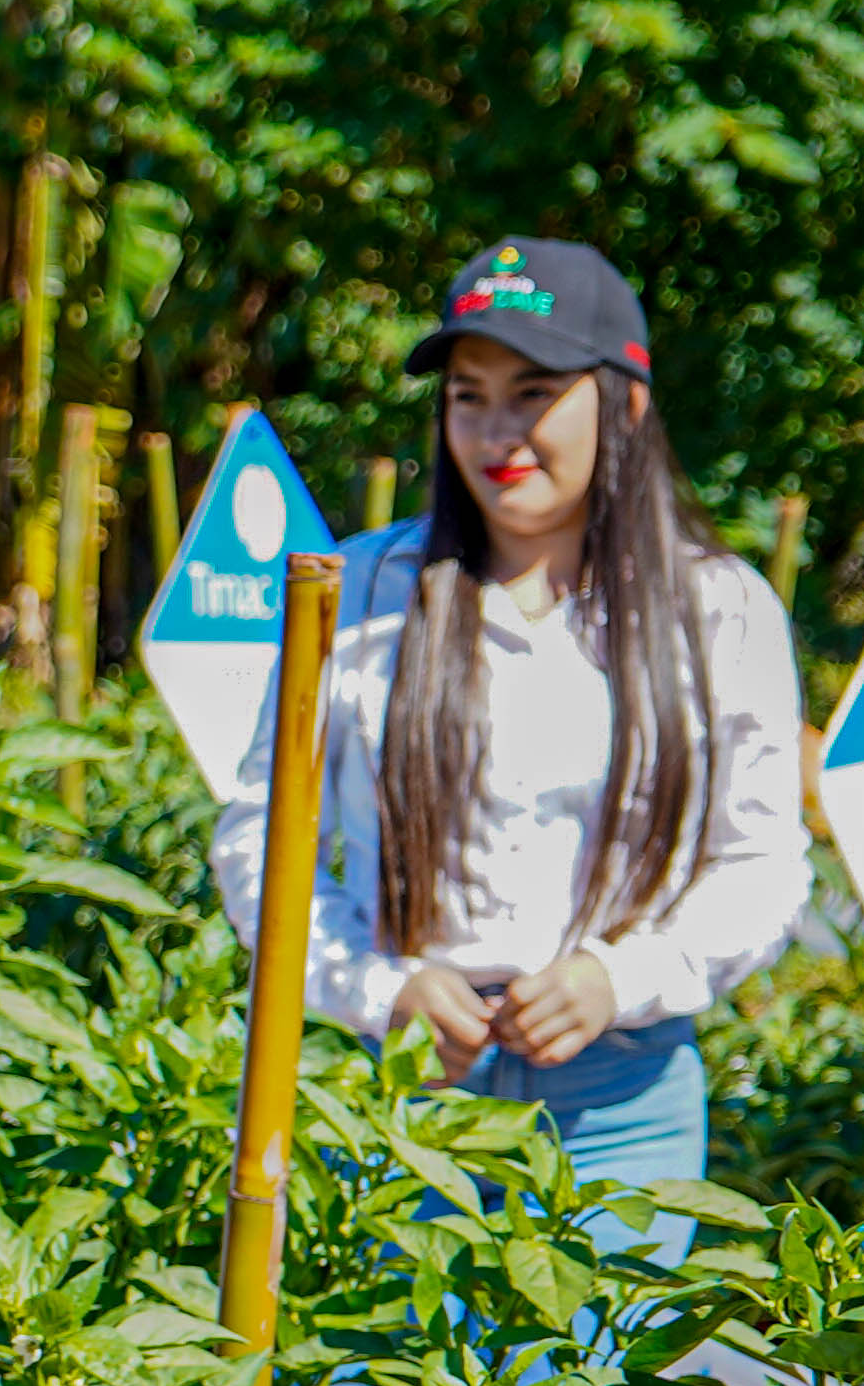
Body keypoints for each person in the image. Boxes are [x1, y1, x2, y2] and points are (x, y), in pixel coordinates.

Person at [209, 234, 809, 1250]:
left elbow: (763, 865)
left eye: (534, 392)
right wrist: (379, 983)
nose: (499, 432)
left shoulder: (720, 610)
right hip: (409, 1092)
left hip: (623, 1100)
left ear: (623, 401)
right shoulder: (353, 592)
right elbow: (260, 839)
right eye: (468, 396)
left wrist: (620, 975)